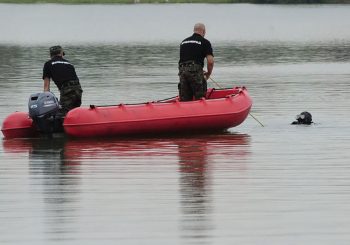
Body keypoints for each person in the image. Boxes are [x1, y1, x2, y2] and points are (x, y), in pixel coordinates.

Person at [178, 23, 214, 101]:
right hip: (195, 72)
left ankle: (185, 111)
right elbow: (210, 61)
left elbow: (186, 59)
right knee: (200, 97)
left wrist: (198, 69)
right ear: (204, 31)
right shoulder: (205, 42)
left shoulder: (183, 42)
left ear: (194, 30)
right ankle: (202, 111)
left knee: (185, 99)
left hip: (182, 71)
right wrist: (208, 73)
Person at [42, 45, 83, 115]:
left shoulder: (48, 64)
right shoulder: (69, 63)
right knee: (74, 112)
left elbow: (46, 87)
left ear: (50, 55)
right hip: (78, 90)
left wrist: (45, 103)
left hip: (67, 90)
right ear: (61, 53)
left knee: (63, 114)